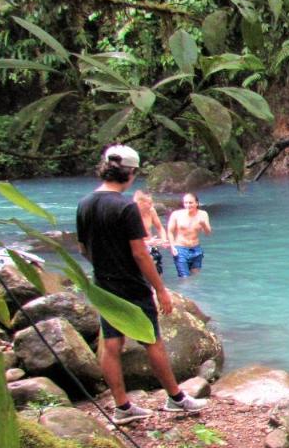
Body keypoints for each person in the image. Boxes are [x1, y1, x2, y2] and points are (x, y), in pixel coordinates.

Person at [76, 145, 206, 424]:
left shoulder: (84, 203)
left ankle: (121, 407)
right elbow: (139, 253)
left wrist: (102, 266)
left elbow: (82, 248)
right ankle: (176, 399)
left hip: (102, 283)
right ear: (130, 173)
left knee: (111, 344)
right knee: (152, 341)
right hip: (131, 283)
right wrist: (159, 288)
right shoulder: (125, 207)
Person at [167, 192, 211, 277]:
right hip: (180, 249)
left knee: (195, 276)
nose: (188, 205)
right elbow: (170, 231)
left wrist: (203, 224)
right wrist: (172, 247)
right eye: (186, 203)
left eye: (190, 203)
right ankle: (184, 290)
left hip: (196, 249)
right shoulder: (176, 214)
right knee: (184, 277)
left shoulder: (203, 214)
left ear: (197, 203)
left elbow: (208, 233)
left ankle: (194, 290)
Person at [132, 190, 168, 275]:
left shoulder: (151, 211)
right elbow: (127, 240)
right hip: (138, 248)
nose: (151, 205)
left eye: (151, 202)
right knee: (141, 273)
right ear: (140, 203)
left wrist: (164, 240)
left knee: (157, 269)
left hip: (151, 245)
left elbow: (160, 227)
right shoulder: (132, 214)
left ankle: (157, 287)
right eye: (149, 203)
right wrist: (147, 242)